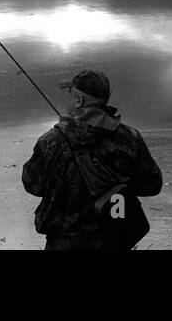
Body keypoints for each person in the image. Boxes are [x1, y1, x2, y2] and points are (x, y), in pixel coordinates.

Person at [21, 69, 163, 250]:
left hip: (64, 242)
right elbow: (152, 185)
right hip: (114, 238)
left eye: (69, 94)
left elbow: (32, 186)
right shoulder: (130, 137)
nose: (68, 99)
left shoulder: (51, 141)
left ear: (78, 100)